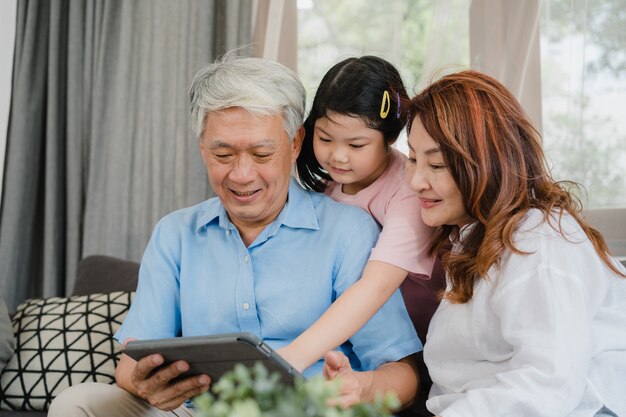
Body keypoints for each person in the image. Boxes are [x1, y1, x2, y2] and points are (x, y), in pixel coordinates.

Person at [47, 55, 421, 417]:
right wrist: (143, 383)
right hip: (197, 410)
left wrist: (362, 387)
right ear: (202, 148)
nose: (241, 175)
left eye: (261, 154)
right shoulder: (174, 235)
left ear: (294, 144)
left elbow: (404, 374)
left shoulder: (349, 231)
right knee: (77, 403)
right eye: (223, 154)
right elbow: (131, 365)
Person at [404, 70, 626, 417]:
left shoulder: (539, 241)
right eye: (413, 159)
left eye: (436, 164)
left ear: (488, 163)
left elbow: (547, 384)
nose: (416, 180)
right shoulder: (473, 236)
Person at [275, 55, 445, 415]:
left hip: (417, 356)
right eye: (325, 138)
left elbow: (376, 287)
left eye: (356, 145)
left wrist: (290, 358)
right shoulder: (326, 186)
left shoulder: (408, 191)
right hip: (355, 348)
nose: (337, 156)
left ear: (392, 137)